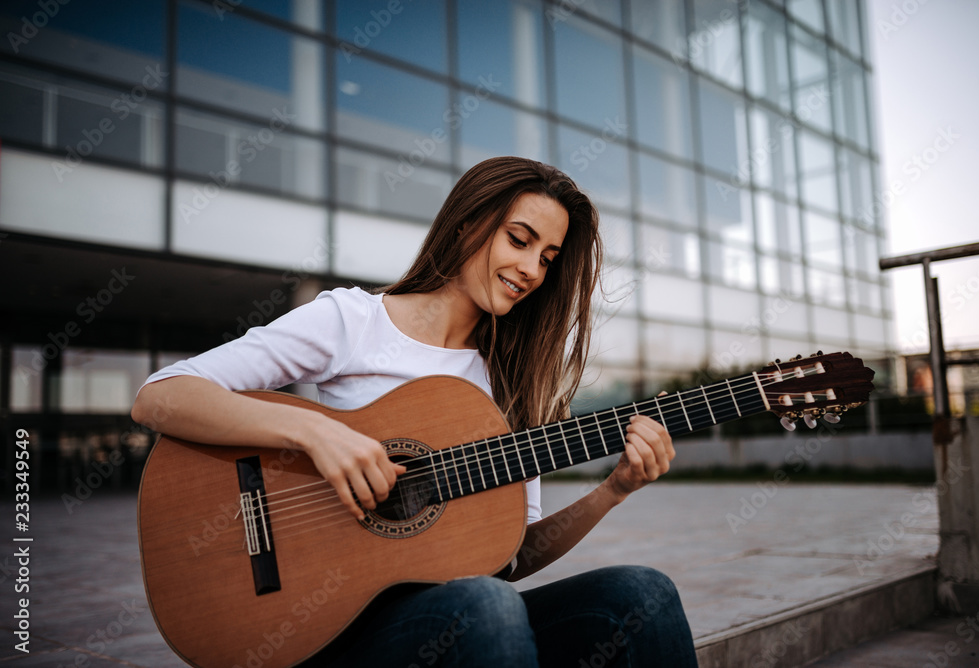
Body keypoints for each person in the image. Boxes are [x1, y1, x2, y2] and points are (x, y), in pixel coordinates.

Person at [132, 156, 698, 667]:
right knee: (487, 605)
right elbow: (161, 396)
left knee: (642, 594)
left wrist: (614, 490)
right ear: (466, 224)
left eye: (547, 258)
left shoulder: (505, 386)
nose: (531, 269)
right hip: (322, 634)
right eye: (519, 240)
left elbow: (514, 556)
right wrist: (315, 432)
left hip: (447, 625)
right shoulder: (353, 322)